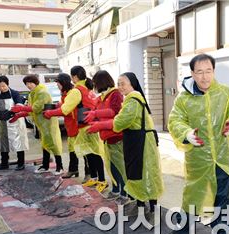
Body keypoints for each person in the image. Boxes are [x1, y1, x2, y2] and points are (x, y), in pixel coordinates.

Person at [164, 54, 229, 234]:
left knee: (224, 200)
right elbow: (175, 120)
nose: (205, 77)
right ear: (192, 73)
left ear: (214, 71)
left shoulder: (225, 94)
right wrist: (187, 134)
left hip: (223, 158)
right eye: (200, 72)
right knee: (191, 196)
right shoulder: (184, 99)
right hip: (198, 158)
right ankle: (183, 230)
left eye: (208, 71)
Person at [89, 72, 163, 216]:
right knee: (137, 173)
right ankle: (142, 204)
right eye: (118, 83)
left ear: (132, 84)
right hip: (134, 140)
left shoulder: (133, 100)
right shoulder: (129, 99)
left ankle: (151, 208)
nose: (120, 87)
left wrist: (100, 125)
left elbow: (121, 121)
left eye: (123, 83)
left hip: (141, 142)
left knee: (144, 173)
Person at [43, 71, 108, 193]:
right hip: (88, 124)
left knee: (95, 154)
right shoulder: (87, 88)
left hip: (87, 125)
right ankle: (94, 178)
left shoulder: (76, 90)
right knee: (89, 153)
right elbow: (64, 104)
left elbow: (65, 109)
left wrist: (50, 113)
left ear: (74, 77)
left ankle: (102, 180)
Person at [85, 70, 127, 200]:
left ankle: (124, 193)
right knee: (111, 166)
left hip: (117, 135)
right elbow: (97, 111)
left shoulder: (115, 94)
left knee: (120, 167)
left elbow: (115, 112)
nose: (94, 86)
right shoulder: (102, 97)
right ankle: (115, 189)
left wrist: (96, 115)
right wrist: (93, 119)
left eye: (95, 83)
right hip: (106, 136)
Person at [11, 74, 63, 175]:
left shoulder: (42, 93)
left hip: (48, 123)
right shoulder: (32, 94)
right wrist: (20, 115)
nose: (29, 85)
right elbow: (31, 110)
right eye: (27, 84)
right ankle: (45, 165)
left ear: (36, 82)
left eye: (30, 83)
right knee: (45, 144)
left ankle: (59, 167)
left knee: (54, 144)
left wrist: (21, 108)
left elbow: (36, 108)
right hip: (41, 124)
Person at [0, 76, 29, 170]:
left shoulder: (15, 93)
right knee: (4, 143)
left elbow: (19, 104)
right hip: (4, 123)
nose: (2, 88)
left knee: (18, 142)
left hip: (16, 121)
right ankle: (4, 163)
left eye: (3, 86)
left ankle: (21, 163)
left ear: (7, 84)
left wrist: (11, 112)